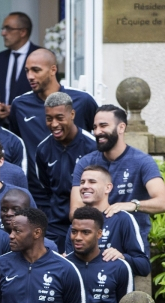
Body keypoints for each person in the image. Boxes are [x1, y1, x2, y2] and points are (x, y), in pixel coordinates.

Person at [9, 49, 98, 213]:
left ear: (53, 70)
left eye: (36, 70)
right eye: (27, 71)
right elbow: (16, 143)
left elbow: (99, 137)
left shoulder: (82, 100)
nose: (30, 76)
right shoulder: (19, 105)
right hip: (38, 197)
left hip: (81, 195)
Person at [70, 105, 165, 256]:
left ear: (121, 128)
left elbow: (162, 201)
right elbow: (75, 211)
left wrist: (131, 205)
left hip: (132, 251)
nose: (97, 131)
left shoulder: (142, 161)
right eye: (95, 127)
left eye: (103, 126)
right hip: (93, 249)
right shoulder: (85, 163)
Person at [35, 92, 96, 251]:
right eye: (49, 118)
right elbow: (45, 189)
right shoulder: (43, 149)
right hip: (55, 226)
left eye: (60, 117)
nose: (54, 124)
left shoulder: (92, 147)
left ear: (72, 114)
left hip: (86, 223)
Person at [64, 165, 150, 277]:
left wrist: (122, 257)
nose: (84, 186)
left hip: (113, 291)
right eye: (82, 182)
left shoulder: (123, 219)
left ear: (108, 188)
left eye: (92, 182)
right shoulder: (77, 222)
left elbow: (144, 267)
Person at [0, 12, 41, 120]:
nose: (3, 33)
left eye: (8, 28)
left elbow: (48, 94)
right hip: (1, 126)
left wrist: (16, 109)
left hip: (31, 123)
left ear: (23, 32)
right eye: (3, 28)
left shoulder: (42, 57)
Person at [0, 188, 58, 252]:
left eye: (15, 209)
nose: (8, 214)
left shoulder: (46, 246)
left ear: (27, 211)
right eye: (4, 209)